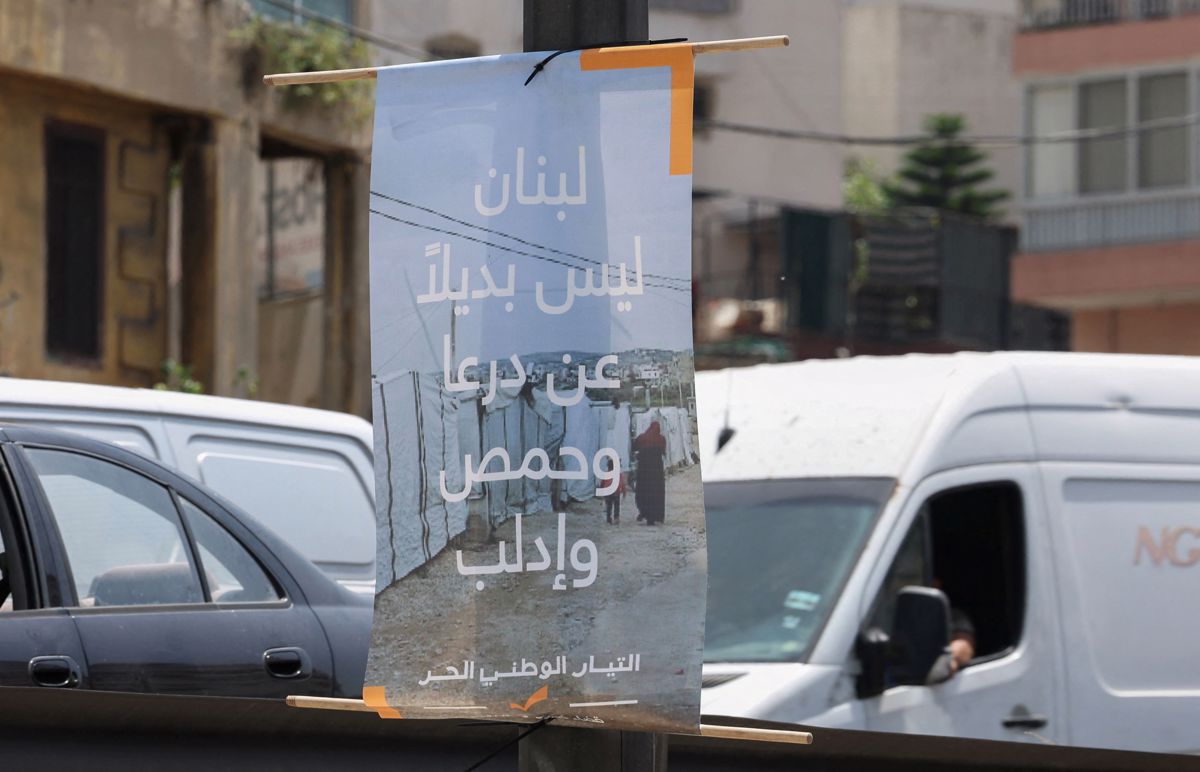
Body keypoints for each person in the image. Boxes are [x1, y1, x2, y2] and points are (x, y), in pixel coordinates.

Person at [633, 421, 667, 525]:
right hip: (657, 472)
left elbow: (634, 447)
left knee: (643, 491)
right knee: (657, 493)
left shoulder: (642, 438)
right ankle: (657, 516)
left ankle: (644, 513)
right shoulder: (661, 439)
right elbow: (663, 451)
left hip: (644, 471)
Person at [598, 452, 625, 525]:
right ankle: (616, 518)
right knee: (616, 506)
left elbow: (602, 483)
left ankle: (608, 518)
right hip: (616, 492)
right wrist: (624, 492)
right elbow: (622, 484)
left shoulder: (606, 474)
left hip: (608, 492)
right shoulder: (619, 475)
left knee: (609, 506)